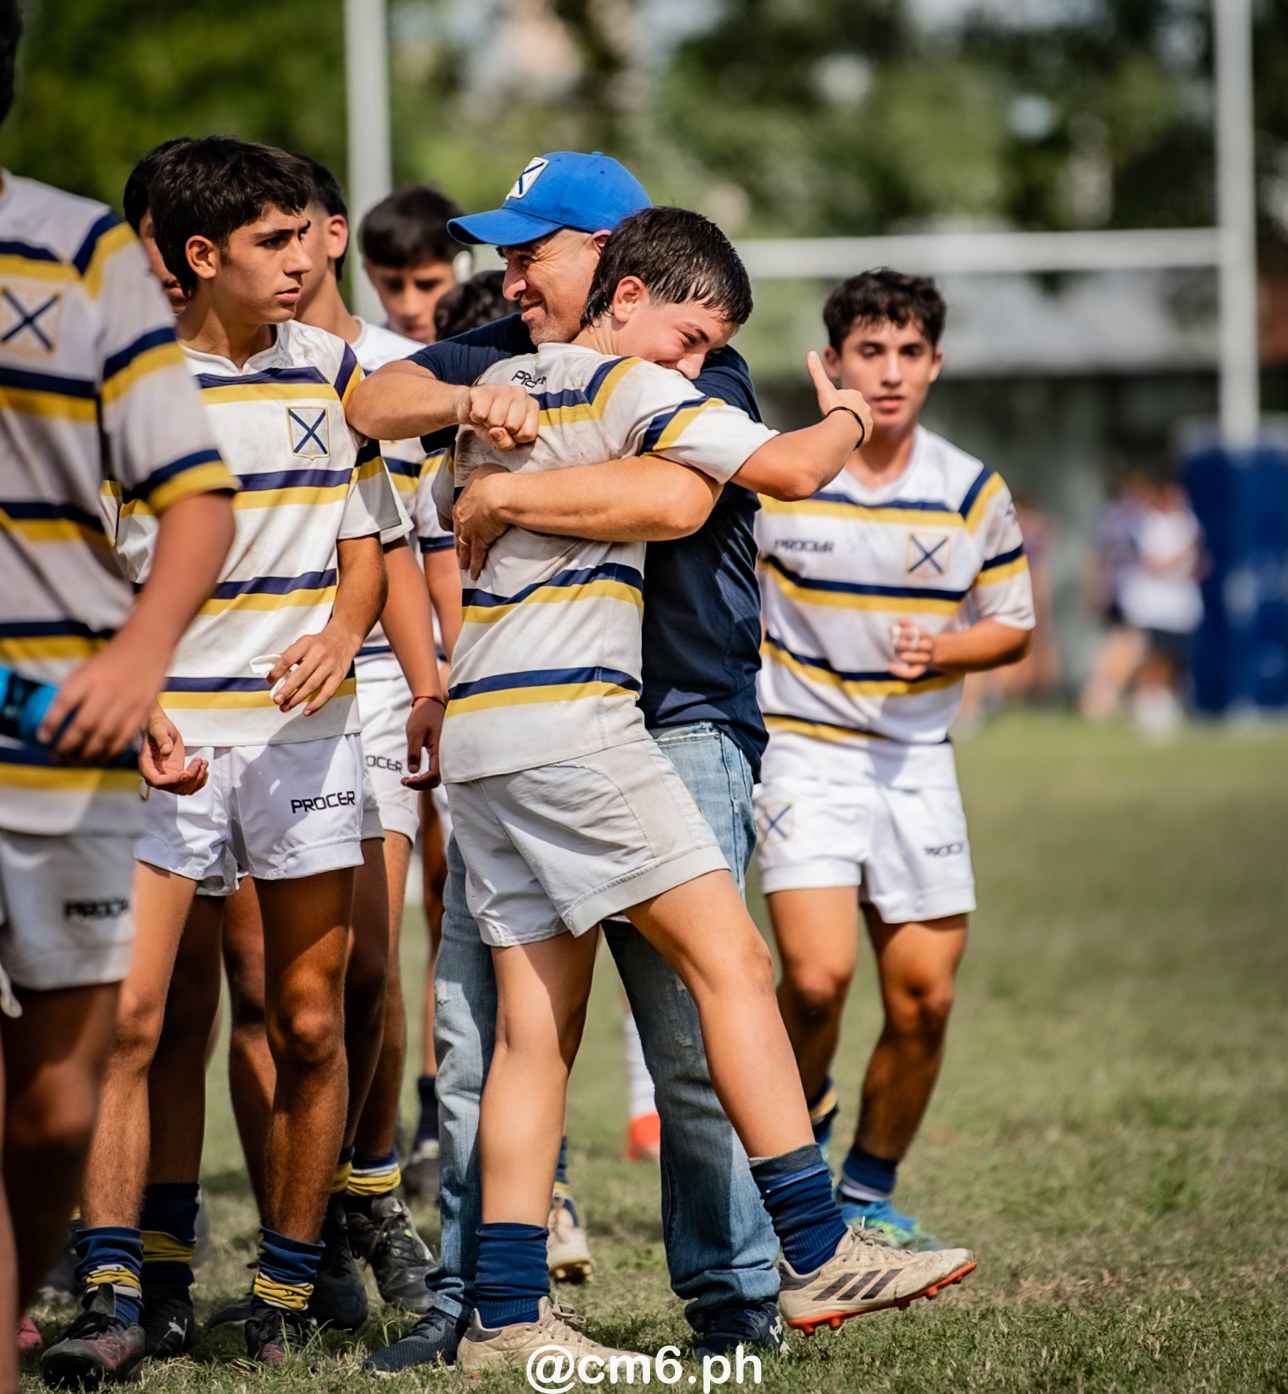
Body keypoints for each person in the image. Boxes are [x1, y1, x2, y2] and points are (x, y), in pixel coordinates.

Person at [348, 152, 963, 1371]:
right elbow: (769, 473)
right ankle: (811, 1243)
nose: (512, 272)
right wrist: (849, 405)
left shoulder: (601, 363)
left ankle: (510, 1317)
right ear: (638, 292)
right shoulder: (613, 369)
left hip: (515, 732)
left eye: (536, 248)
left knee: (536, 1033)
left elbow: (666, 500)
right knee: (734, 971)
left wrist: (510, 492)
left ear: (610, 257)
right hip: (582, 728)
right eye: (508, 251)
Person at [39, 135, 403, 1378]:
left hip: (304, 744)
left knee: (306, 1020)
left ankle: (287, 1290)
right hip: (161, 746)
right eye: (276, 241)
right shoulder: (121, 388)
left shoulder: (337, 372)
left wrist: (346, 630)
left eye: (307, 236)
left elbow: (367, 536)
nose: (307, 260)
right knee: (131, 1019)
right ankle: (114, 1289)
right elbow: (78, 566)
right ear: (202, 257)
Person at [0, 7, 235, 1387]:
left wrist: (137, 659)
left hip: (67, 752)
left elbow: (193, 500)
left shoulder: (82, 248)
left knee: (48, 1111)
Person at [752, 269, 1035, 1250]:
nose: (888, 372)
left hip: (916, 758)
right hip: (804, 750)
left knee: (925, 996)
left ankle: (866, 1191)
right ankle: (792, 1137)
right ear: (831, 363)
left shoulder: (968, 489)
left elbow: (1013, 625)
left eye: (907, 351)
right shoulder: (781, 474)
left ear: (934, 364)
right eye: (867, 351)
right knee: (818, 977)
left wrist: (947, 649)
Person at [358, 185, 469, 345]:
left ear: (463, 270)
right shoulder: (354, 364)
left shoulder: (502, 355)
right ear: (371, 275)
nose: (410, 308)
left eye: (427, 285)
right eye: (393, 285)